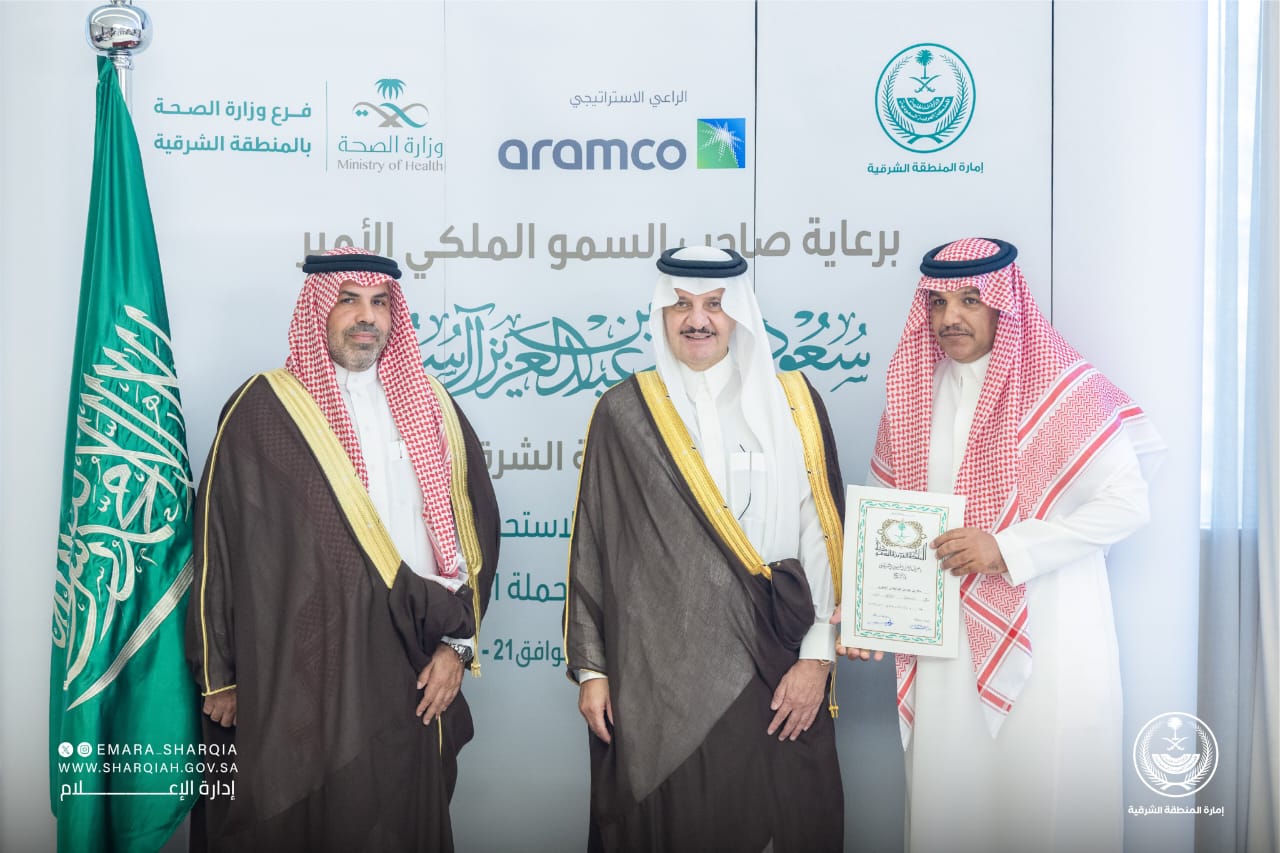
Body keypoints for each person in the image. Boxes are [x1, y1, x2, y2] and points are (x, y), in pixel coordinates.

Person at [846, 237, 1164, 852]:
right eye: (938, 303)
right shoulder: (913, 395)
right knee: (951, 800)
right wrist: (872, 613)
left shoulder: (1063, 391)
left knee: (1044, 797)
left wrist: (1009, 549)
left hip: (1050, 634)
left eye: (970, 300)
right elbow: (891, 522)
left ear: (1005, 304)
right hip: (944, 641)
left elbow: (1127, 504)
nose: (950, 317)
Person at [185, 246, 500, 852]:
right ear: (317, 310)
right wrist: (218, 675)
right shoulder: (263, 408)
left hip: (412, 661)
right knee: (298, 820)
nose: (366, 317)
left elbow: (476, 536)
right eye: (348, 300)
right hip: (298, 668)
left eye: (379, 303)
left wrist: (457, 648)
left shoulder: (434, 407)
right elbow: (216, 546)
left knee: (397, 822)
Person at [564, 245, 846, 851]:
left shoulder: (793, 403)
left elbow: (820, 535)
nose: (698, 320)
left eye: (714, 305)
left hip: (777, 664)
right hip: (655, 677)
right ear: (661, 315)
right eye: (681, 306)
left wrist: (817, 658)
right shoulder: (625, 410)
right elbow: (593, 544)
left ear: (738, 312)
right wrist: (593, 670)